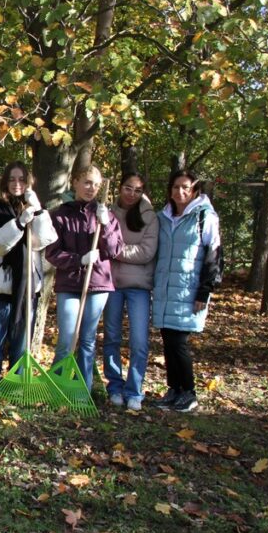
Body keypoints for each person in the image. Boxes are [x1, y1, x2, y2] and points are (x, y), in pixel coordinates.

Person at [0, 162, 57, 394]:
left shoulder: (37, 212)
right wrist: (19, 223)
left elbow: (42, 240)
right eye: (12, 179)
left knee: (21, 341)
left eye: (21, 179)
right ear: (5, 182)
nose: (16, 184)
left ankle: (16, 386)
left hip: (27, 287)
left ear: (29, 183)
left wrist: (38, 211)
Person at [46, 165, 123, 393]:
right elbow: (52, 252)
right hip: (69, 284)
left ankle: (82, 391)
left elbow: (114, 250)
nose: (91, 188)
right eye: (87, 182)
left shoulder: (106, 215)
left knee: (88, 341)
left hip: (98, 283)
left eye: (96, 184)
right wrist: (79, 260)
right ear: (75, 182)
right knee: (66, 340)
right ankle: (57, 389)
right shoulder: (60, 214)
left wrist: (106, 225)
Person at [151, 169, 222, 413]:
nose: (180, 192)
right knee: (168, 340)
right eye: (175, 187)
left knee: (179, 341)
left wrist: (204, 291)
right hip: (165, 288)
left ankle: (189, 392)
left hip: (188, 290)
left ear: (194, 191)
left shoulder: (204, 216)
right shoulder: (163, 217)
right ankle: (174, 389)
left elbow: (213, 255)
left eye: (185, 187)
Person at [103, 171, 158, 410]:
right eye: (128, 188)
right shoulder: (109, 212)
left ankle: (134, 390)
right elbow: (103, 243)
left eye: (137, 190)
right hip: (111, 283)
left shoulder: (149, 216)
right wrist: (118, 249)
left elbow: (147, 251)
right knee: (112, 338)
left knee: (138, 340)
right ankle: (114, 386)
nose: (132, 194)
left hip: (139, 287)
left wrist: (117, 251)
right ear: (120, 187)